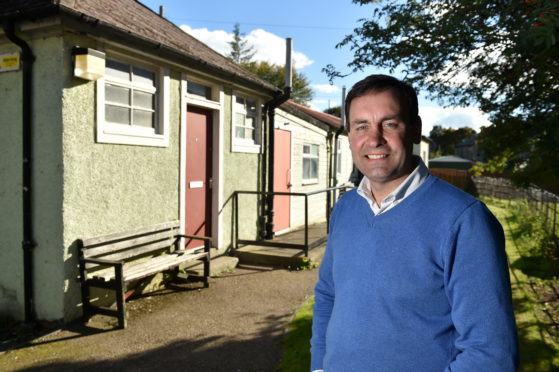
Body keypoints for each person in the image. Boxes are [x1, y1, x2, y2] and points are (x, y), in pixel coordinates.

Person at [310, 75, 518, 371]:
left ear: (416, 129)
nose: (374, 139)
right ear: (349, 135)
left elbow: (490, 353)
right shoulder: (346, 208)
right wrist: (319, 365)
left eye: (390, 123)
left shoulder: (465, 220)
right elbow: (328, 294)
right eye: (361, 126)